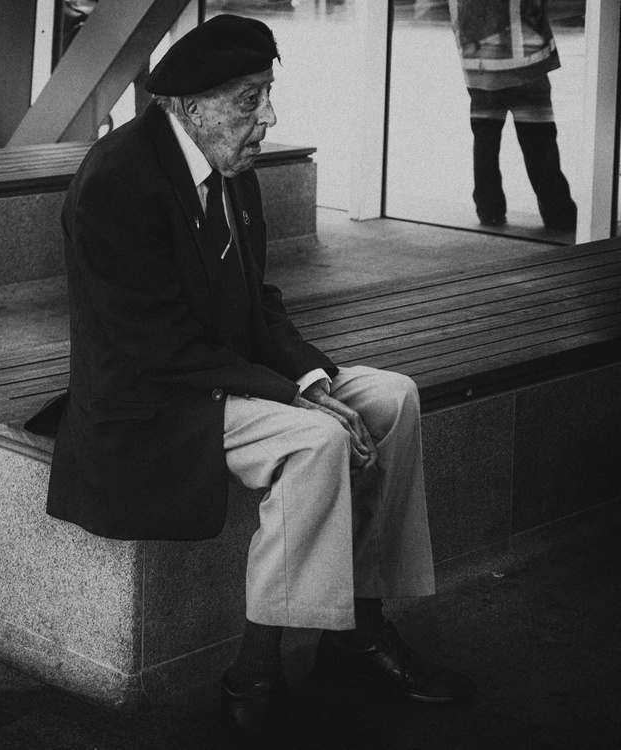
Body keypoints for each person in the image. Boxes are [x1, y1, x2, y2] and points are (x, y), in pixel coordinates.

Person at [26, 13, 475, 740]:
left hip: (222, 377)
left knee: (393, 398)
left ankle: (358, 633)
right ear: (189, 105)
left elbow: (257, 303)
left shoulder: (230, 167)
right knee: (315, 442)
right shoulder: (117, 180)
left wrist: (313, 381)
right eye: (248, 99)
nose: (267, 117)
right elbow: (157, 347)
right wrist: (298, 401)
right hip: (154, 402)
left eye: (267, 94)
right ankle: (253, 672)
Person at [448, 0, 577, 231]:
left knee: (486, 140)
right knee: (538, 139)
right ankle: (557, 211)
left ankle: (489, 209)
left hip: (480, 62)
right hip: (524, 61)